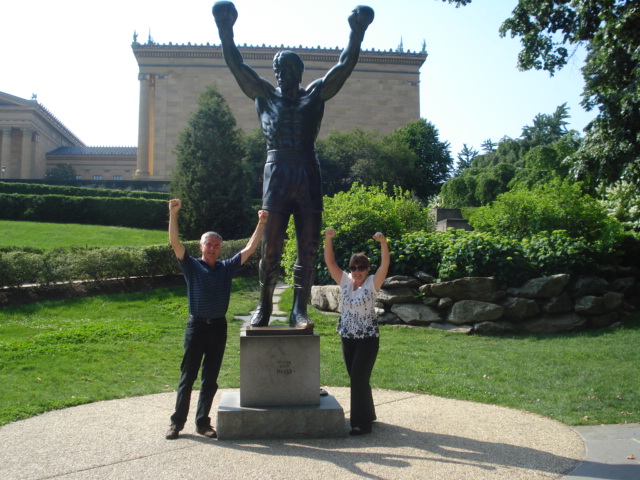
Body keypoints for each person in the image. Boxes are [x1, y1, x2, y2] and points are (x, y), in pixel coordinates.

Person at [212, 1, 374, 330]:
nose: (285, 76)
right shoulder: (264, 95)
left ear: (300, 74)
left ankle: (300, 311)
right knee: (271, 246)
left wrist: (356, 32)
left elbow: (343, 67)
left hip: (307, 170)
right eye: (280, 71)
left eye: (291, 71)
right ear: (275, 75)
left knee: (308, 247)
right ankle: (264, 307)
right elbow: (236, 64)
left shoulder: (314, 96)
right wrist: (225, 28)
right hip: (277, 171)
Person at [165, 198, 268, 440]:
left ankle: (203, 423)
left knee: (210, 379)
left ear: (220, 248)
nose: (212, 248)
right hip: (196, 326)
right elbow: (174, 242)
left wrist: (261, 223)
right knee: (187, 377)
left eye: (216, 245)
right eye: (208, 244)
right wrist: (173, 213)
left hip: (218, 328)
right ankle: (176, 423)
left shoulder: (226, 267)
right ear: (201, 246)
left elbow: (249, 249)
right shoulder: (191, 266)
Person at [323, 228, 390, 435]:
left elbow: (385, 265)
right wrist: (328, 239)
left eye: (361, 267)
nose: (357, 271)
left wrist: (383, 243)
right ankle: (368, 413)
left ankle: (361, 423)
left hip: (367, 338)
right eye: (354, 267)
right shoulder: (344, 281)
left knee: (358, 378)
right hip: (347, 336)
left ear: (367, 269)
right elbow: (330, 263)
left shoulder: (372, 283)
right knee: (356, 377)